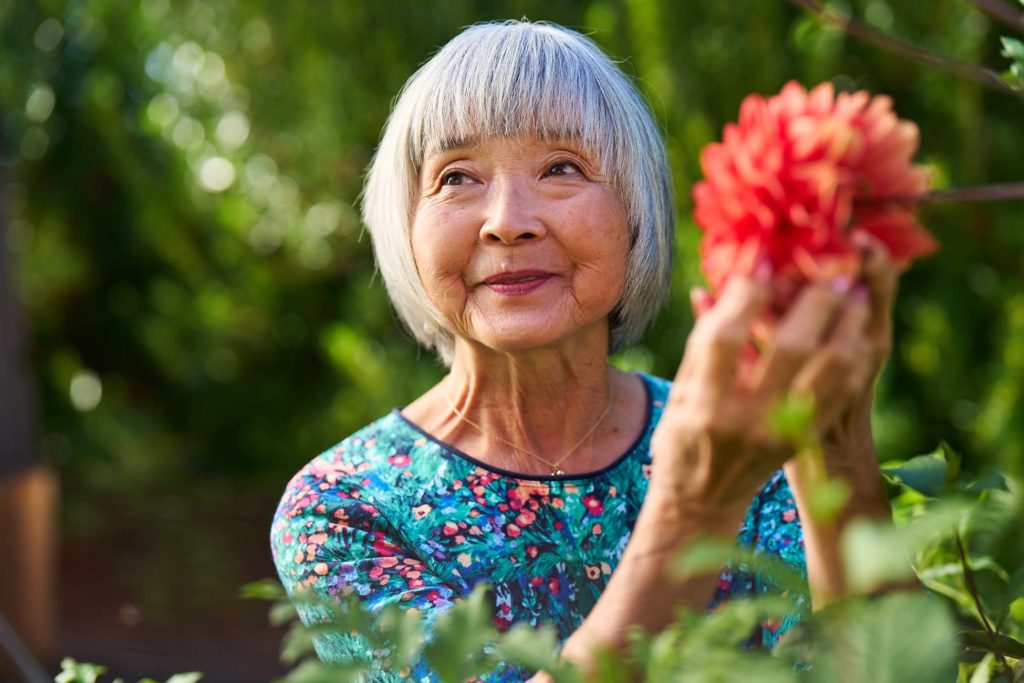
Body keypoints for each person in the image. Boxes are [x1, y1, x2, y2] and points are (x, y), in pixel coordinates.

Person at [270, 19, 895, 682]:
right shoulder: (343, 507)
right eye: (457, 178)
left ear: (635, 212)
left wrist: (836, 447)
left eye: (561, 168)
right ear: (406, 226)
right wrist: (693, 509)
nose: (508, 220)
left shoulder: (744, 441)